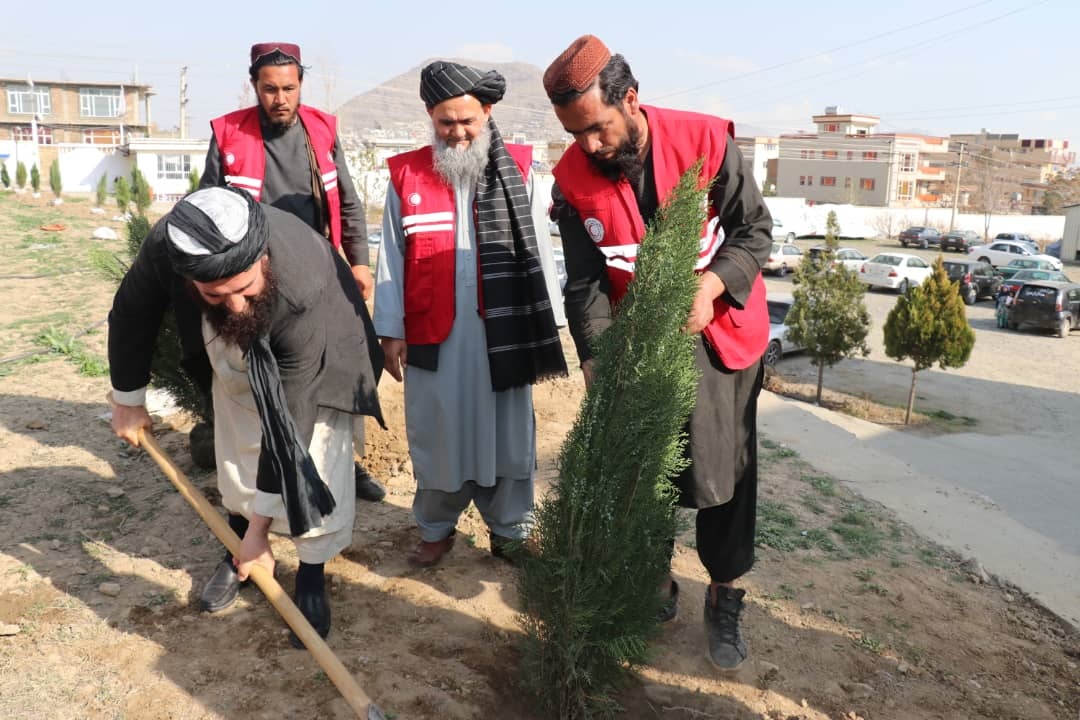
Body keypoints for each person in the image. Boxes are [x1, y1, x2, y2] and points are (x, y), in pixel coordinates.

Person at [543, 35, 773, 672]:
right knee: (647, 474)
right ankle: (660, 587)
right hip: (639, 347)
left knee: (724, 475)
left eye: (598, 128)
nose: (590, 146)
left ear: (631, 100)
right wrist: (595, 359)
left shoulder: (704, 141)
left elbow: (756, 230)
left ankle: (725, 597)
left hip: (720, 335)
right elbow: (586, 281)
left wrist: (712, 284)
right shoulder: (572, 177)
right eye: (575, 133)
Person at [108, 186, 384, 644]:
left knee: (313, 455)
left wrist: (264, 530)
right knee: (237, 436)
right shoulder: (168, 245)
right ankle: (238, 543)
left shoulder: (302, 286)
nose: (235, 306)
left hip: (320, 353)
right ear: (189, 278)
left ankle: (311, 572)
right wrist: (128, 401)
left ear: (263, 260)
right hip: (236, 352)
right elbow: (132, 312)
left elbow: (288, 427)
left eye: (244, 288)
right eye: (216, 294)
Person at [374, 61, 567, 568]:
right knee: (437, 430)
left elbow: (539, 252)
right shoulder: (407, 175)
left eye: (467, 121)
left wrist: (546, 326)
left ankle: (509, 530)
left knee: (508, 432)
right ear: (430, 117)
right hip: (433, 332)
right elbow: (391, 257)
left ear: (487, 112)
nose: (458, 133)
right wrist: (389, 330)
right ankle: (436, 528)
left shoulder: (520, 170)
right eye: (446, 122)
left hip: (502, 333)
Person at [201, 41, 385, 502]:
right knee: (261, 375)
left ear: (300, 84)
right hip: (255, 279)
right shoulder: (228, 134)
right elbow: (208, 207)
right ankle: (264, 479)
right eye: (269, 89)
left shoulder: (321, 131)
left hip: (319, 271)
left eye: (288, 88)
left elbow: (349, 202)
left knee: (344, 364)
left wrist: (359, 263)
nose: (279, 99)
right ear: (254, 86)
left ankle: (345, 463)